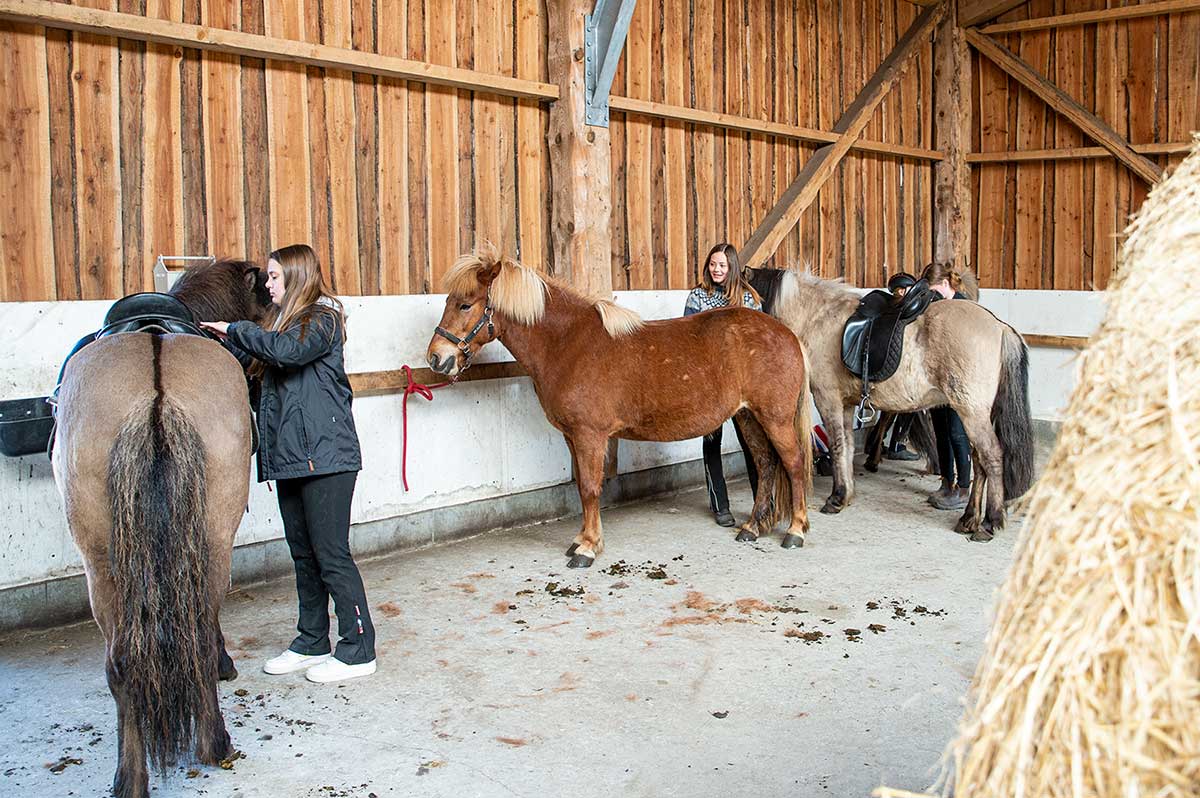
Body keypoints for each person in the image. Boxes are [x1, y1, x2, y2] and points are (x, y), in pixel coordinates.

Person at [201, 244, 376, 683]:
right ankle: (312, 639)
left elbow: (286, 352)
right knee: (303, 555)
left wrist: (236, 328)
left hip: (327, 457)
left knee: (331, 555)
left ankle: (358, 648)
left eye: (275, 277)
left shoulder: (322, 319)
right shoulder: (275, 327)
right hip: (291, 459)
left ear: (296, 277)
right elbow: (255, 360)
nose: (268, 285)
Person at [683, 243, 763, 527]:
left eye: (722, 266)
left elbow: (757, 344)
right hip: (710, 384)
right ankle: (720, 506)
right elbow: (688, 339)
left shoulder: (749, 299)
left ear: (732, 268)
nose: (716, 270)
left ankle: (761, 501)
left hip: (743, 384)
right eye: (712, 265)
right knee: (711, 443)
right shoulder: (697, 297)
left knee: (751, 443)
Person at [921, 261, 971, 511]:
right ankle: (946, 481)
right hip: (937, 380)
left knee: (957, 433)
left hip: (958, 380)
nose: (931, 296)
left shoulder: (965, 308)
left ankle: (963, 487)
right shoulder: (936, 307)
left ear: (944, 284)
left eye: (933, 290)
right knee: (940, 431)